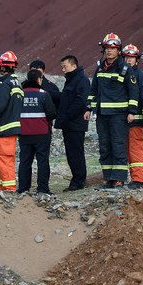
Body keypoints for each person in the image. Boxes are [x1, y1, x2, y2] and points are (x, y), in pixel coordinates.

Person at [84, 33, 139, 189]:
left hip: (119, 115)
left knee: (118, 145)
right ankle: (108, 179)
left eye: (113, 48)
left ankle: (119, 179)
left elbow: (133, 92)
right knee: (105, 147)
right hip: (102, 115)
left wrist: (131, 111)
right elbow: (93, 89)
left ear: (118, 50)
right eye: (107, 48)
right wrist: (89, 107)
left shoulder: (125, 68)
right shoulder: (100, 68)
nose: (109, 51)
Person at [0, 51, 24, 192]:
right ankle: (2, 186)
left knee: (4, 159)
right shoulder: (17, 84)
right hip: (7, 129)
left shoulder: (4, 84)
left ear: (2, 66)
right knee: (0, 159)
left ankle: (9, 189)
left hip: (4, 129)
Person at [17, 69, 56, 195]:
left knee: (24, 161)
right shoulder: (44, 94)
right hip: (42, 134)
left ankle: (23, 188)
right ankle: (43, 189)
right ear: (39, 80)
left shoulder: (20, 94)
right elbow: (51, 114)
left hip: (24, 133)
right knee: (43, 161)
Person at [55, 55, 91, 191]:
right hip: (69, 123)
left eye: (65, 66)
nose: (63, 69)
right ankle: (77, 179)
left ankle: (79, 181)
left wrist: (66, 116)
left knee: (76, 152)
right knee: (71, 153)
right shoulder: (71, 80)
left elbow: (80, 102)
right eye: (62, 67)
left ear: (74, 66)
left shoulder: (81, 80)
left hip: (75, 123)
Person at [121, 44, 143, 189]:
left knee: (136, 149)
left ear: (137, 59)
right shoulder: (121, 74)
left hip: (138, 120)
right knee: (125, 150)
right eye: (127, 57)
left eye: (132, 58)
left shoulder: (142, 76)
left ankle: (138, 179)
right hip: (123, 119)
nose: (129, 60)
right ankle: (125, 178)